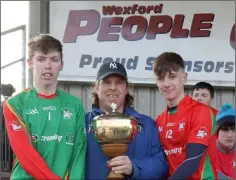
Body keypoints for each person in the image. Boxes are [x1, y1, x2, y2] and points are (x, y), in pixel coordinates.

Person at [2, 34, 86, 180]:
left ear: (62, 64)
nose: (48, 65)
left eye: (54, 59)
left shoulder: (74, 105)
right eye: (41, 59)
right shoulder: (14, 104)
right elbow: (25, 154)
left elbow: (78, 154)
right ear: (30, 63)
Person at [85, 62, 168, 179]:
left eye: (119, 82)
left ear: (126, 88)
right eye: (106, 82)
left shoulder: (146, 124)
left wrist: (134, 167)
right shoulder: (82, 124)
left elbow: (161, 167)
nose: (113, 87)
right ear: (96, 88)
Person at [153, 52, 217, 180]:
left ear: (184, 77)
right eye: (161, 78)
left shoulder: (201, 111)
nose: (166, 84)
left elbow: (192, 160)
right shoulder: (159, 120)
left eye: (172, 77)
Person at [215, 103, 235, 180]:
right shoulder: (207, 154)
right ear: (217, 131)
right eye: (225, 130)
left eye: (233, 129)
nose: (230, 135)